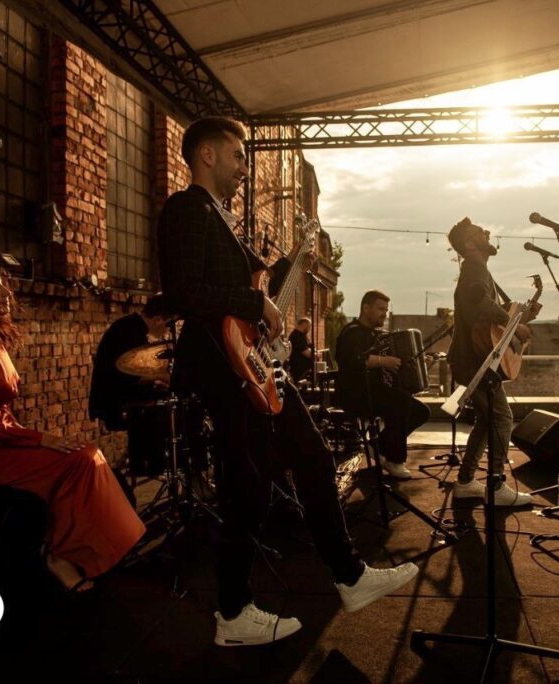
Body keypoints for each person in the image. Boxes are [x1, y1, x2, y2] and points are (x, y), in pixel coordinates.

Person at [157, 116, 418, 647]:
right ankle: (234, 613)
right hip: (223, 368)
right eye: (237, 156)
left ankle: (349, 576)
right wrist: (255, 303)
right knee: (246, 485)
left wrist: (286, 268)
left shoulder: (222, 217)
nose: (244, 168)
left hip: (252, 365)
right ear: (207, 154)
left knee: (312, 457)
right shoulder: (187, 209)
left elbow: (251, 290)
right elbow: (184, 291)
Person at [0, 262, 145, 593]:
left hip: (1, 444)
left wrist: (35, 441)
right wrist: (40, 439)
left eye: (2, 285)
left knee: (87, 454)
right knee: (81, 459)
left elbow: (1, 415)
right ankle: (61, 556)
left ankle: (98, 547)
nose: (6, 293)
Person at [446, 217, 540, 506]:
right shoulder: (474, 269)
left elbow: (485, 313)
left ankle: (465, 482)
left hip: (471, 358)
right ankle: (496, 485)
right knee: (501, 417)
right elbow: (480, 304)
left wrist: (519, 318)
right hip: (474, 360)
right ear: (469, 245)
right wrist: (513, 322)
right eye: (480, 232)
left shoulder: (478, 270)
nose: (487, 232)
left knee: (487, 420)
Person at [334, 290, 431, 479]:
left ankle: (379, 445)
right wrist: (383, 361)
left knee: (421, 411)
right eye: (380, 309)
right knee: (401, 401)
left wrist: (417, 362)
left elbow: (395, 361)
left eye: (386, 310)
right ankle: (395, 460)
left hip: (375, 391)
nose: (384, 314)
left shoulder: (378, 335)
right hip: (354, 394)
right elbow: (353, 360)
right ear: (366, 308)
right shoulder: (351, 333)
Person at [89, 294, 175, 431]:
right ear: (158, 320)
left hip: (121, 397)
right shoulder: (129, 331)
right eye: (168, 325)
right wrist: (161, 376)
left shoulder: (132, 326)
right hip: (115, 402)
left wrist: (155, 382)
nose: (168, 331)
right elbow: (125, 376)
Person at [287, 317, 314, 383]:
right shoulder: (296, 336)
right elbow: (306, 353)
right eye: (309, 327)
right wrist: (316, 355)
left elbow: (309, 348)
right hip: (300, 371)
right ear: (305, 325)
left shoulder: (303, 336)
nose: (309, 329)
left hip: (306, 371)